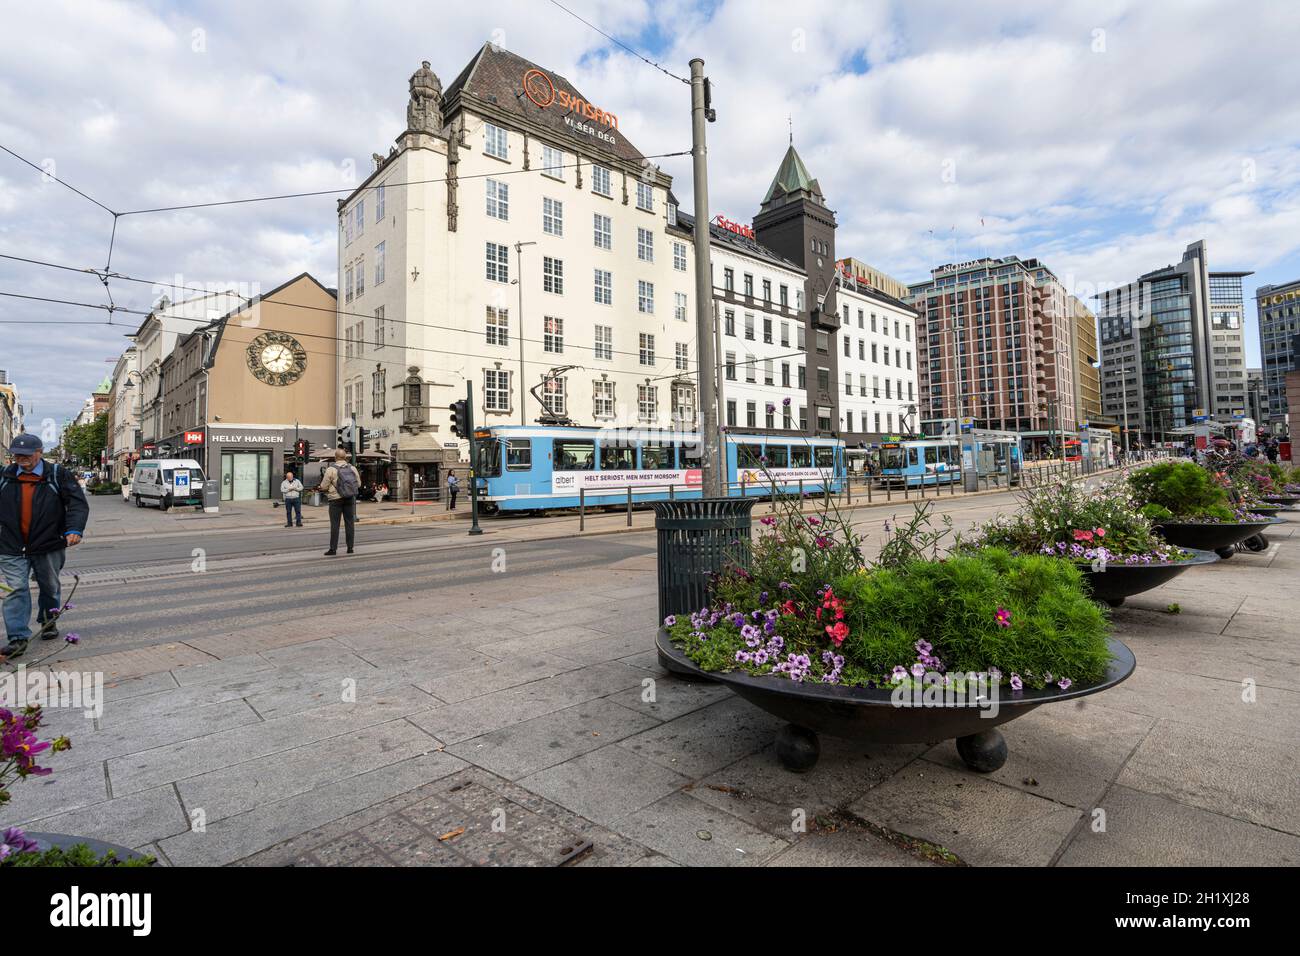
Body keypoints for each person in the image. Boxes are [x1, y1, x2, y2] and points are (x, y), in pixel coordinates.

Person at [1, 433, 89, 659]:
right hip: (10, 545)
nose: (22, 459)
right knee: (16, 590)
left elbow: (77, 504)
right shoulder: (5, 475)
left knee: (49, 586)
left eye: (27, 455)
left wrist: (74, 529)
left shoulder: (57, 474)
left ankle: (48, 621)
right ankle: (18, 638)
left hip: (48, 543)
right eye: (17, 455)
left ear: (39, 452)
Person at [318, 449, 360, 556]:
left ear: (335, 457)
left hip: (335, 499)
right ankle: (350, 548)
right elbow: (358, 484)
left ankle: (333, 549)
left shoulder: (331, 469)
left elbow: (323, 486)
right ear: (345, 457)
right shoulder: (352, 468)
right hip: (349, 498)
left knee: (335, 525)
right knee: (350, 523)